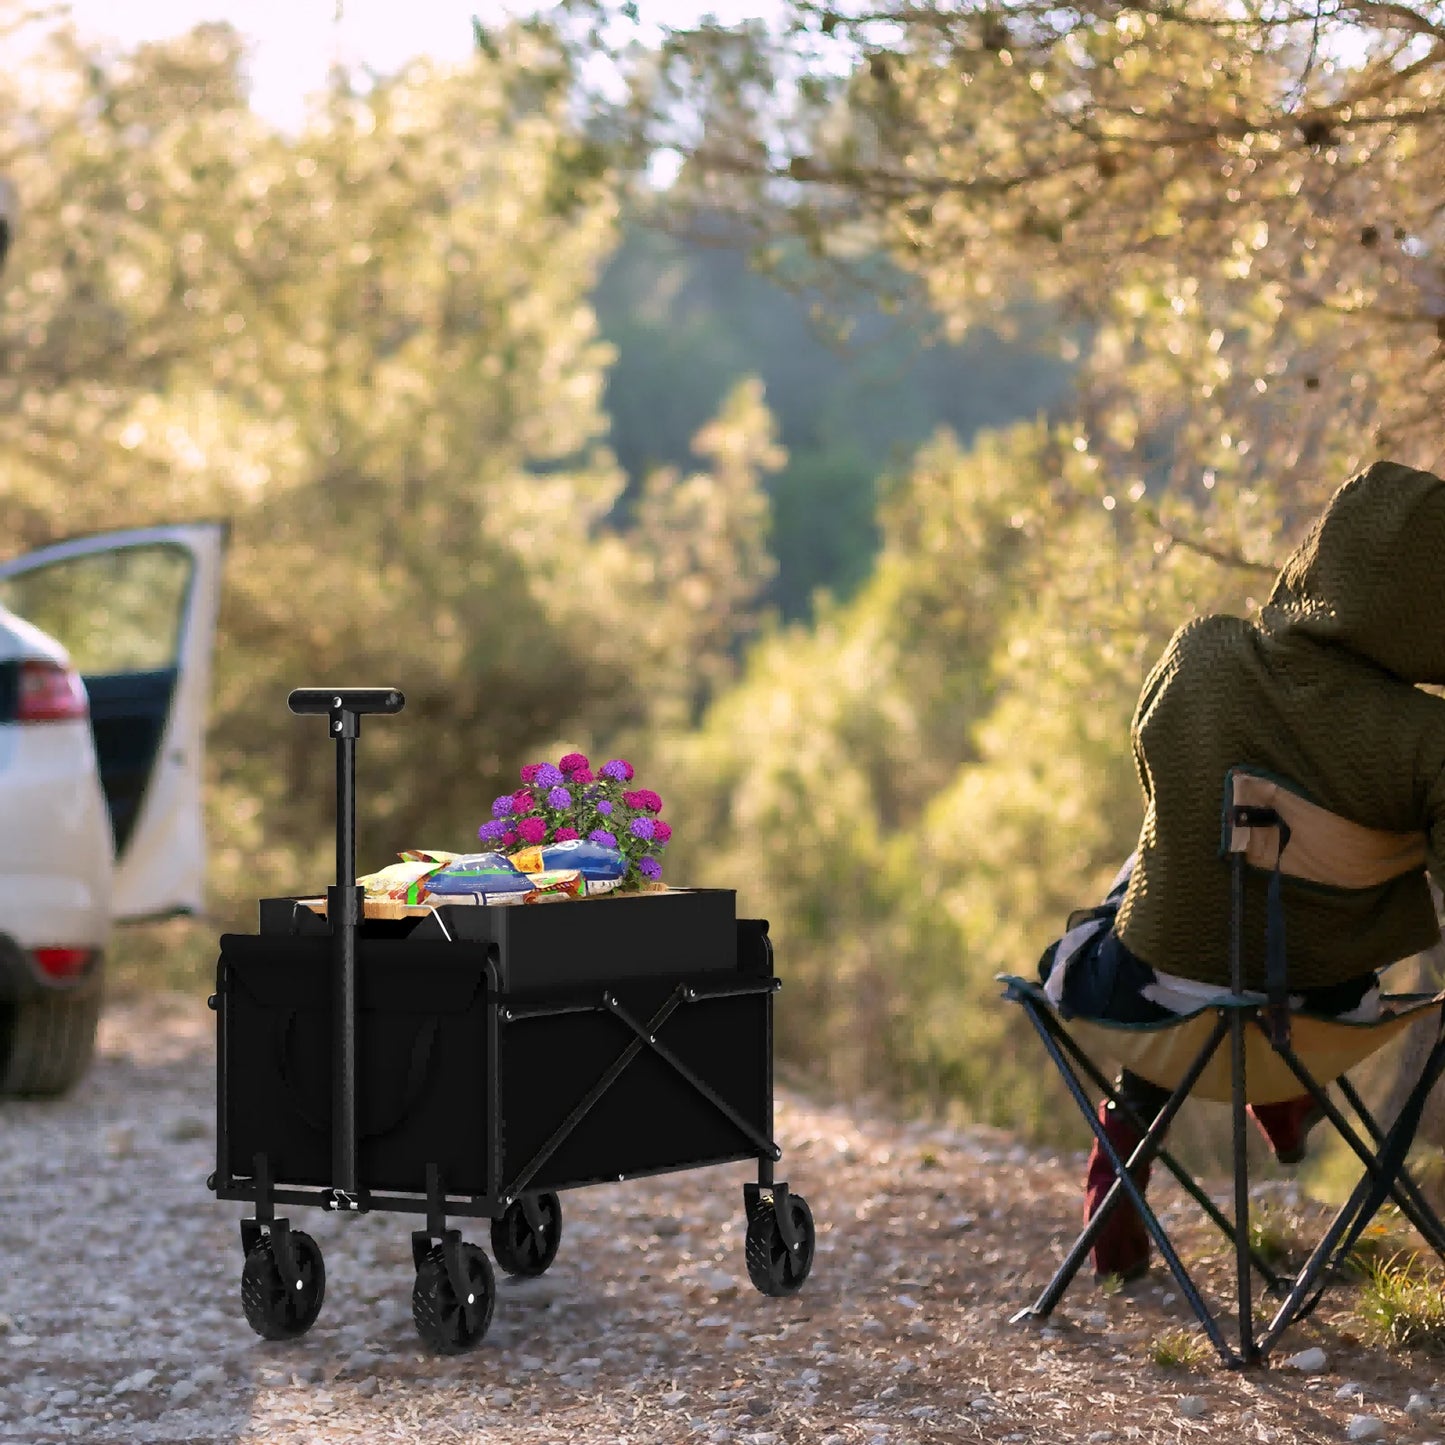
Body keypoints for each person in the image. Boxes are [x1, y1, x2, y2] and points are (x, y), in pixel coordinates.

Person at [1039, 459, 1445, 1280]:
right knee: (1272, 921)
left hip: (1163, 1010)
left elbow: (1151, 768)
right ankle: (1286, 1096)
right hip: (1323, 1019)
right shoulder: (1427, 742)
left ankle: (1124, 1131)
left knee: (1150, 884)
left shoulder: (1207, 654)